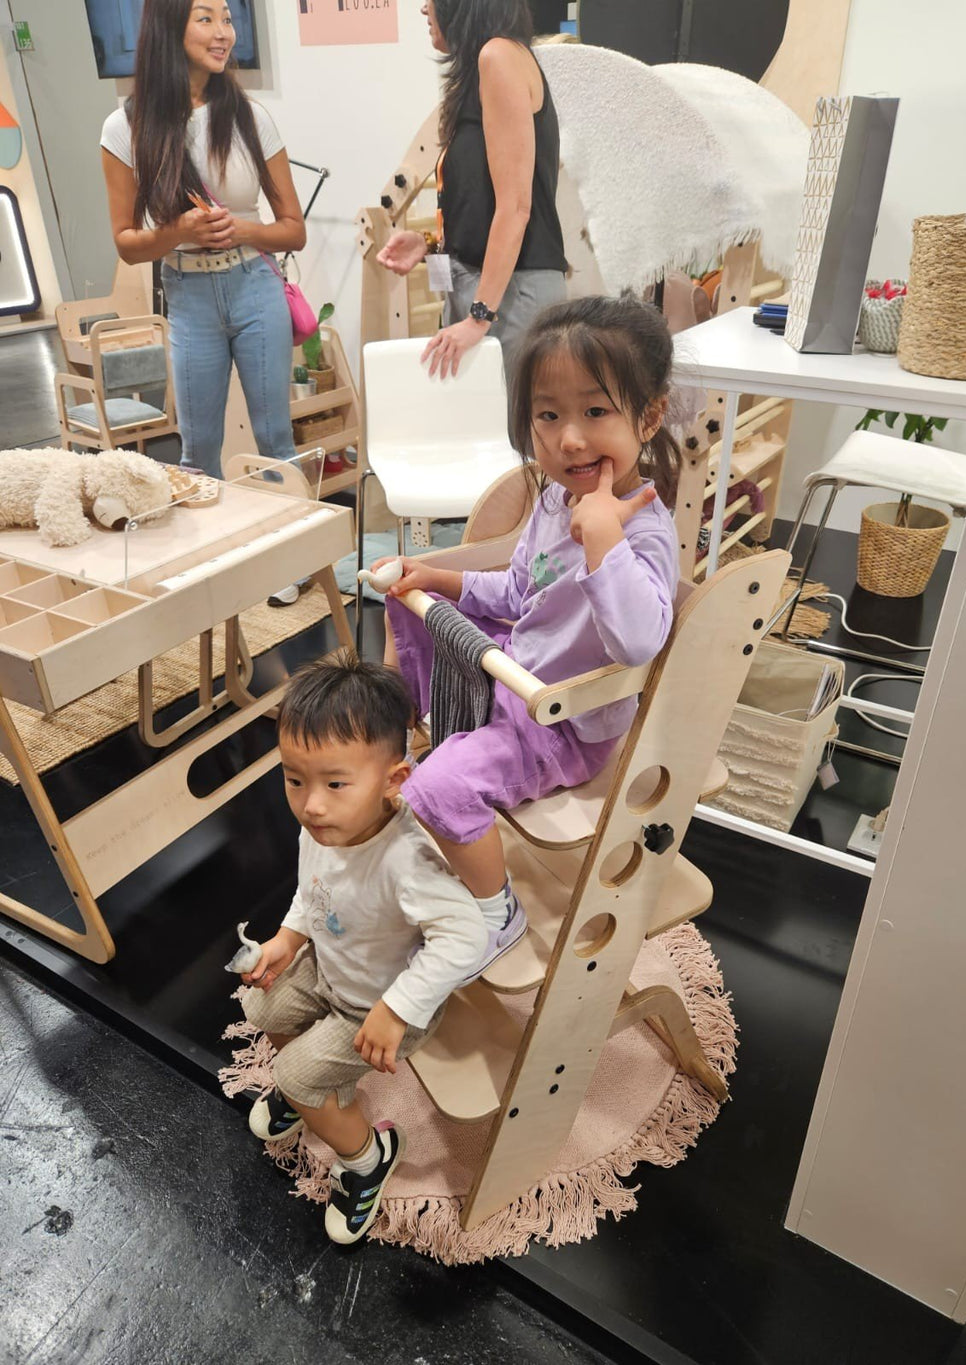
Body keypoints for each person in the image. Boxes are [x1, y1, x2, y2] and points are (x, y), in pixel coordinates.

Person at [377, 294, 682, 967]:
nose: (570, 437)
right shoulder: (552, 497)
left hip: (567, 724)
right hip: (520, 667)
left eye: (596, 411)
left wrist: (605, 540)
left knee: (436, 789)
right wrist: (438, 575)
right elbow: (520, 592)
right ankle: (434, 719)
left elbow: (640, 643)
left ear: (649, 416)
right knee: (407, 596)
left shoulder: (646, 529)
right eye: (549, 415)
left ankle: (498, 914)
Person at [239, 655, 487, 1246]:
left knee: (297, 1074)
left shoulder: (407, 860)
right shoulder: (323, 827)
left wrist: (398, 1009)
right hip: (329, 968)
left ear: (393, 781)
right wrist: (288, 938)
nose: (311, 804)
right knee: (265, 1010)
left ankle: (370, 1158)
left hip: (382, 1009)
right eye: (294, 779)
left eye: (334, 783)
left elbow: (467, 936)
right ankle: (315, 1097)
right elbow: (312, 891)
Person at [100, 0, 306, 481]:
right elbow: (127, 243)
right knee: (197, 453)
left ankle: (304, 557)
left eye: (228, 19)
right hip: (188, 294)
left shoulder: (250, 116)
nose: (224, 33)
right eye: (206, 18)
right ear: (171, 28)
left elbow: (293, 228)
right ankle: (215, 555)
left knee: (278, 443)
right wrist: (180, 232)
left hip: (256, 284)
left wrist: (243, 229)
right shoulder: (124, 127)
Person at [376, 0, 567, 377]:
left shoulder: (498, 57)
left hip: (511, 296)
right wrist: (431, 243)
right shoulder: (490, 63)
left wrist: (479, 316)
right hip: (494, 292)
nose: (424, 9)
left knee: (508, 433)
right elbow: (485, 197)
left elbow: (516, 207)